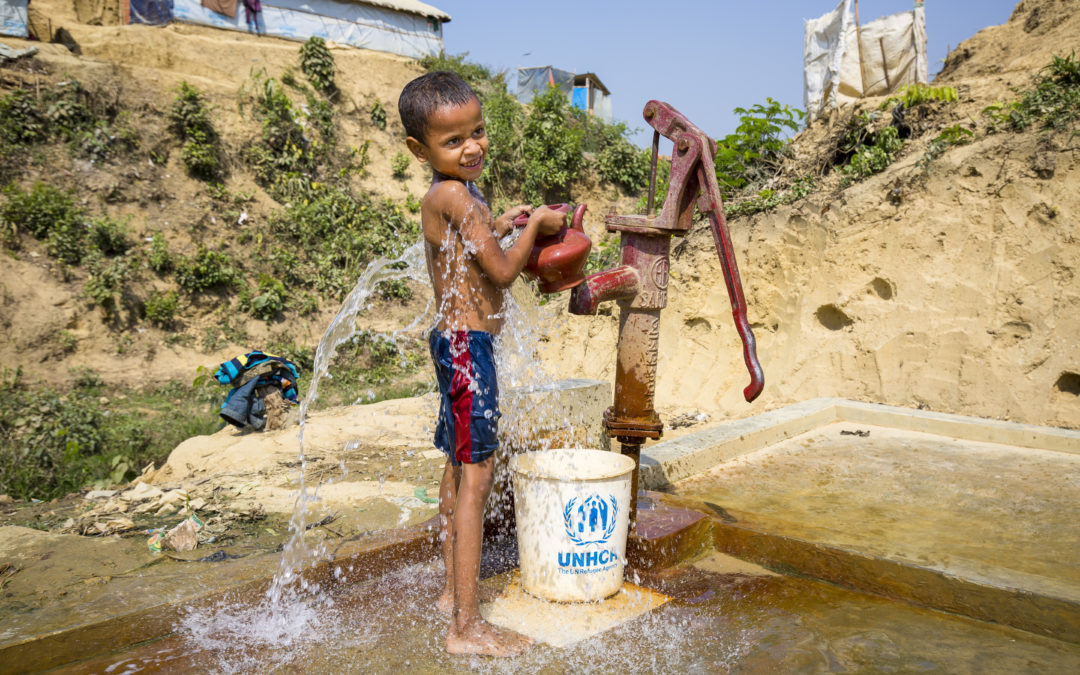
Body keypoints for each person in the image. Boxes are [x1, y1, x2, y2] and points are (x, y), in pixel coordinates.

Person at [398, 71, 564, 656]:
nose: (472, 147)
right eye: (453, 141)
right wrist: (538, 230)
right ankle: (466, 629)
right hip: (469, 348)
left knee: (456, 463)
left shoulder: (456, 199)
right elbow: (500, 273)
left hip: (455, 344)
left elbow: (473, 251)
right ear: (420, 150)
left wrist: (501, 225)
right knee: (478, 475)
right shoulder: (453, 195)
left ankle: (451, 593)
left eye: (478, 132)